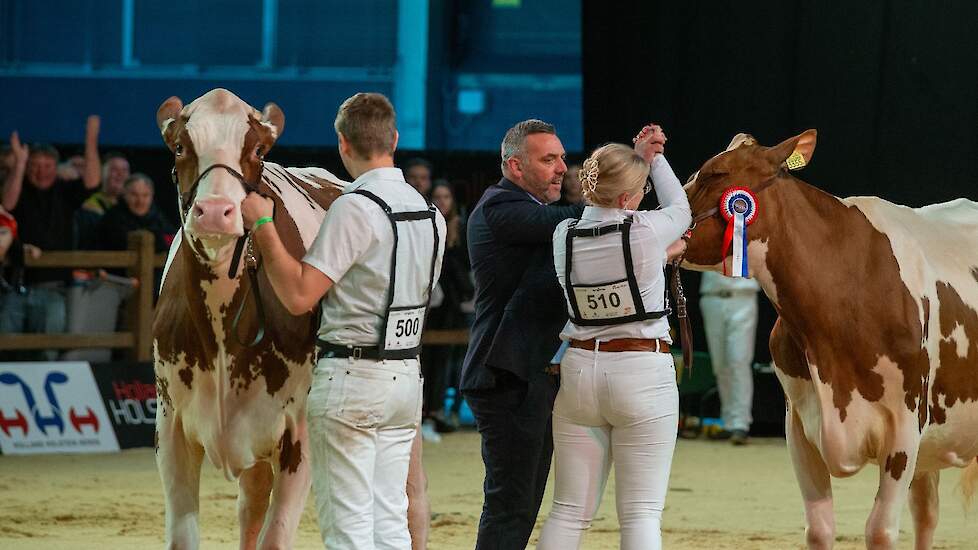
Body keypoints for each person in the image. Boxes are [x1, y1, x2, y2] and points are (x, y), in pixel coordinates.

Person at [241, 92, 445, 550]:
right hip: (405, 375)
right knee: (388, 518)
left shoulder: (354, 207)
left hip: (352, 376)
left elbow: (297, 295)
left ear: (343, 145)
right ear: (393, 138)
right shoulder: (431, 212)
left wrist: (263, 227)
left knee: (348, 528)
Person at [536, 125, 691, 550]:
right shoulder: (643, 231)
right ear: (626, 199)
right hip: (641, 371)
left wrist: (661, 254)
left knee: (568, 511)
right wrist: (654, 158)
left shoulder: (563, 235)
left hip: (580, 371)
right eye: (638, 191)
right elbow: (681, 208)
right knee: (641, 514)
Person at [460, 118, 584, 549]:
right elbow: (576, 219)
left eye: (562, 158)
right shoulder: (500, 208)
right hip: (504, 377)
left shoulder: (522, 208)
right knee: (511, 506)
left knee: (522, 505)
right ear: (515, 166)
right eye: (548, 159)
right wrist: (617, 198)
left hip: (525, 377)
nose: (561, 169)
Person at [2, 117, 101, 358]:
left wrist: (90, 141)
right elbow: (7, 204)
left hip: (52, 289)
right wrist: (20, 164)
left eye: (47, 166)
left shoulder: (64, 191)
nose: (41, 171)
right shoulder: (18, 186)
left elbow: (92, 182)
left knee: (47, 354)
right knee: (4, 352)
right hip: (14, 287)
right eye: (35, 165)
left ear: (56, 168)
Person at [420, 182, 473, 441]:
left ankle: (445, 412)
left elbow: (466, 267)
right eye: (437, 196)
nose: (442, 201)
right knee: (430, 361)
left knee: (452, 362)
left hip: (456, 306)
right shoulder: (424, 224)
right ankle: (428, 413)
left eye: (447, 196)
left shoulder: (462, 229)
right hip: (429, 306)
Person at [699, 271, 761, 445]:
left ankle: (740, 423)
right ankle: (728, 421)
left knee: (739, 360)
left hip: (743, 296)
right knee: (720, 364)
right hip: (712, 296)